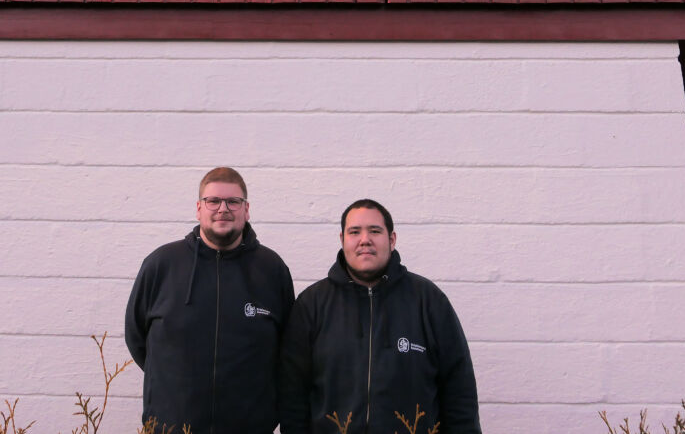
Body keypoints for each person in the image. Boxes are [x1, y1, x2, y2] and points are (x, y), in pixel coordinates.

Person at [280, 199, 481, 434]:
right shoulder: (311, 305)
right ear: (342, 240)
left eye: (375, 231)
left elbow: (459, 390)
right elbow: (292, 394)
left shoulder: (429, 301)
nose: (365, 239)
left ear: (392, 239)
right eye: (354, 232)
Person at [125, 167, 295, 434]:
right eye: (213, 201)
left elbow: (287, 348)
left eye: (233, 202)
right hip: (172, 427)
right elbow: (136, 338)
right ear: (199, 208)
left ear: (246, 209)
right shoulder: (162, 265)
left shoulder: (272, 269)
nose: (223, 209)